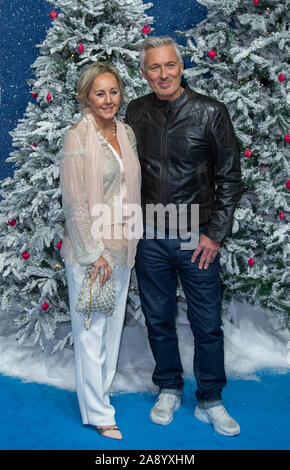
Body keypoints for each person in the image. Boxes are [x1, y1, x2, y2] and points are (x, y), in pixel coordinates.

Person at [125, 37, 243, 437]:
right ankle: (169, 387)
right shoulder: (136, 112)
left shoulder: (211, 112)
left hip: (198, 239)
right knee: (158, 320)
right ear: (144, 73)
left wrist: (215, 234)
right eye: (154, 68)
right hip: (150, 239)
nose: (163, 74)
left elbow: (230, 176)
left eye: (169, 66)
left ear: (181, 66)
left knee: (206, 323)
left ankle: (210, 399)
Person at [60, 62, 142, 440]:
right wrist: (95, 254)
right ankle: (98, 413)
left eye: (113, 92)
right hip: (90, 251)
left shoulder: (124, 132)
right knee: (91, 332)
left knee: (110, 331)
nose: (108, 100)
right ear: (86, 97)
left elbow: (128, 190)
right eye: (99, 93)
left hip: (123, 243)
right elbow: (74, 202)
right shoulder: (77, 136)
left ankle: (100, 394)